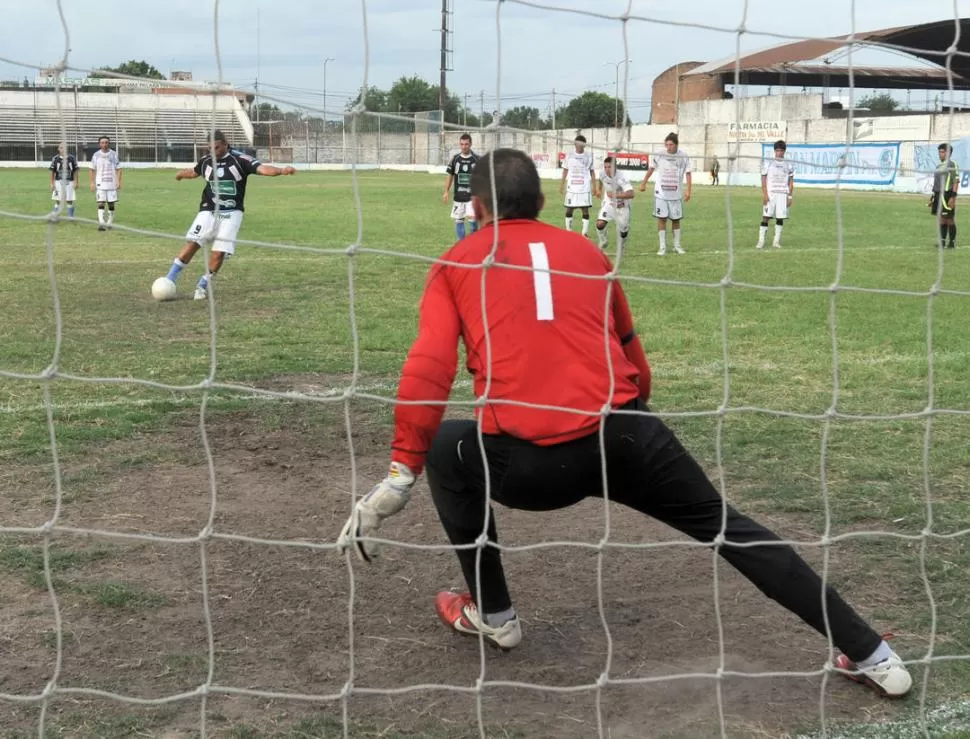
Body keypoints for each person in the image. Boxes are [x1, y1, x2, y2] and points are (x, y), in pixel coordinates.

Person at [336, 147, 912, 699]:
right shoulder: (589, 254)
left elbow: (428, 368)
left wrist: (400, 474)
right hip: (628, 434)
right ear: (543, 201)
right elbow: (631, 353)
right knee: (734, 531)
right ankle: (872, 656)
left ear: (478, 206)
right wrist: (641, 430)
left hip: (528, 466)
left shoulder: (456, 261)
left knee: (441, 449)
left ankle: (495, 615)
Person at [161, 130, 296, 300]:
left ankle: (203, 284)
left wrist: (282, 170)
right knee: (193, 243)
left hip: (232, 212)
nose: (213, 152)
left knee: (219, 252)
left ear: (225, 144)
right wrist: (180, 174)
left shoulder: (240, 160)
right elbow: (194, 172)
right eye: (209, 149)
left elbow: (262, 169)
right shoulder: (206, 161)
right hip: (208, 210)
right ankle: (170, 279)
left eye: (216, 148)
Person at [639, 132, 691, 256]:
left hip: (676, 194)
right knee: (661, 219)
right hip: (661, 193)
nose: (668, 147)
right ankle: (662, 247)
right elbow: (651, 168)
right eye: (666, 144)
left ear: (676, 144)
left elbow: (688, 173)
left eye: (671, 145)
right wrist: (644, 182)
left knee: (676, 220)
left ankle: (677, 246)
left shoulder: (683, 156)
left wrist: (689, 190)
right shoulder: (660, 154)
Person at [757, 140, 795, 249]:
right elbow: (763, 179)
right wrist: (765, 194)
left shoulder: (788, 164)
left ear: (784, 151)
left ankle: (776, 241)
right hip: (771, 194)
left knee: (780, 218)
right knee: (766, 217)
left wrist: (790, 196)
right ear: (774, 151)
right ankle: (761, 241)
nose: (779, 153)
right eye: (777, 150)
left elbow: (791, 181)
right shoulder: (768, 163)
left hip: (783, 194)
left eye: (781, 151)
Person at [560, 134, 598, 237]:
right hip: (572, 187)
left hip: (584, 187)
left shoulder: (589, 156)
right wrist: (562, 184)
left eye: (582, 144)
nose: (579, 146)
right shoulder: (569, 155)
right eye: (577, 144)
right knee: (569, 208)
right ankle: (568, 232)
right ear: (575, 144)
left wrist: (594, 187)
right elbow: (565, 170)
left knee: (585, 209)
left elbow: (592, 172)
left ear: (584, 145)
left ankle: (584, 233)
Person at [443, 133, 480, 241]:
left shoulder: (477, 159)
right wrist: (446, 191)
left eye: (466, 144)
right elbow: (450, 176)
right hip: (458, 197)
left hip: (472, 197)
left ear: (470, 144)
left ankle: (473, 244)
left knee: (473, 223)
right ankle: (462, 245)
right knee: (459, 221)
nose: (464, 146)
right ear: (460, 144)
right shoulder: (455, 159)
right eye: (462, 144)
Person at [594, 155, 635, 252]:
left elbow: (631, 193)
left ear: (615, 167)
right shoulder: (602, 174)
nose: (607, 169)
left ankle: (622, 246)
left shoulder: (621, 177)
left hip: (622, 206)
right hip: (609, 204)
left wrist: (616, 195)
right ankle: (603, 241)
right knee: (600, 224)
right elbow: (601, 180)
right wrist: (599, 190)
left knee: (623, 230)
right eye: (605, 167)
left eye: (610, 167)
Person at [89, 136, 122, 231]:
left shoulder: (113, 154)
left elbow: (119, 169)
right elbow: (91, 169)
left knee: (111, 204)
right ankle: (101, 223)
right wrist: (92, 182)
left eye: (106, 142)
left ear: (109, 143)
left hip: (111, 184)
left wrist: (118, 181)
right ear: (99, 144)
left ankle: (109, 223)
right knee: (100, 203)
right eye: (102, 143)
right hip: (100, 183)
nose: (104, 144)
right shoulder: (96, 155)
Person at [930, 143, 958, 249]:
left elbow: (956, 181)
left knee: (949, 219)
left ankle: (952, 242)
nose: (940, 154)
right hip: (938, 195)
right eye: (939, 152)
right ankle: (942, 242)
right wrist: (932, 197)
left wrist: (953, 197)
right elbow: (936, 183)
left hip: (947, 194)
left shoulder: (952, 164)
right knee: (941, 219)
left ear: (948, 153)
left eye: (942, 152)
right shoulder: (938, 166)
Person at [49, 143, 79, 219]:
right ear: (58, 149)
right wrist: (52, 183)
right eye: (61, 148)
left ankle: (70, 217)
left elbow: (75, 171)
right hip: (58, 182)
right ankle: (55, 216)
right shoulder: (55, 158)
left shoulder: (72, 158)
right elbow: (52, 172)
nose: (63, 149)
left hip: (70, 182)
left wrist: (76, 182)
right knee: (58, 200)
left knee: (69, 200)